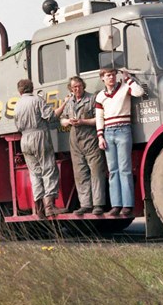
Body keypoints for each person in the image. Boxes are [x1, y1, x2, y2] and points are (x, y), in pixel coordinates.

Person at [95, 68, 145, 217]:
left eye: (113, 75)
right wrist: (100, 136)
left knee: (125, 169)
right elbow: (99, 118)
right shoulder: (100, 96)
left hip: (123, 129)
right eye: (107, 75)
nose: (111, 77)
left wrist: (128, 78)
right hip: (108, 132)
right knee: (113, 171)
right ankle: (116, 205)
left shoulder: (124, 88)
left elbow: (139, 92)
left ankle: (127, 205)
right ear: (102, 78)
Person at [54, 76, 106, 216]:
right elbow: (61, 120)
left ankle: (98, 204)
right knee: (80, 173)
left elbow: (99, 119)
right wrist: (68, 121)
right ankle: (85, 205)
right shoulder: (69, 102)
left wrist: (82, 121)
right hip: (74, 139)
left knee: (96, 171)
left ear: (83, 86)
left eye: (79, 86)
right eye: (74, 87)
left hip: (90, 138)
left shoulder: (92, 99)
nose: (77, 89)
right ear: (70, 88)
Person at [14, 79, 63, 218]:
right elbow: (51, 116)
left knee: (34, 173)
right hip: (39, 136)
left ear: (20, 91)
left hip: (25, 139)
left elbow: (17, 126)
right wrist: (63, 106)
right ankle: (50, 206)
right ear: (32, 88)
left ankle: (39, 208)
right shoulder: (37, 100)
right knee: (48, 169)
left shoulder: (17, 105)